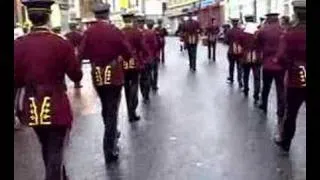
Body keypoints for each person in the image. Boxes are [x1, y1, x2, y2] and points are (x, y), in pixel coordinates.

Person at [14, 0, 83, 179]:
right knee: (55, 149)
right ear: (48, 17)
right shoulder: (61, 43)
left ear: (29, 17)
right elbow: (76, 75)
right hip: (56, 103)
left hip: (31, 104)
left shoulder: (18, 45)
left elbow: (16, 79)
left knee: (47, 145)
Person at [78, 2, 132, 163]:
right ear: (108, 15)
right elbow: (127, 52)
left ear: (95, 16)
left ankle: (112, 132)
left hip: (97, 74)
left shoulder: (88, 32)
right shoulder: (114, 31)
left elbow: (81, 54)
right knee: (112, 109)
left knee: (105, 106)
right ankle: (110, 146)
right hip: (114, 73)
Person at [274, 0, 306, 153]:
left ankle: (286, 142)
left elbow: (281, 57)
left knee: (291, 113)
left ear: (296, 14)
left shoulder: (289, 34)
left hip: (296, 78)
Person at [256, 13, 286, 127]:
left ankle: (264, 105)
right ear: (277, 19)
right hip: (280, 64)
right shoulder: (282, 30)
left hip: (267, 64)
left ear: (268, 19)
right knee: (280, 89)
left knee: (266, 86)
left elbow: (258, 43)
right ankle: (280, 110)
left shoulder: (263, 31)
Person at [121, 12, 145, 122]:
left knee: (126, 86)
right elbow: (142, 47)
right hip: (134, 61)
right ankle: (133, 109)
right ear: (132, 20)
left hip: (122, 62)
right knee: (135, 84)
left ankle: (129, 110)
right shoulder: (137, 32)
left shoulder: (120, 32)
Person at [239, 15, 261, 103]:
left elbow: (240, 43)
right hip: (256, 56)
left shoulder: (243, 31)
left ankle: (246, 89)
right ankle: (256, 95)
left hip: (246, 55)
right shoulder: (258, 31)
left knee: (246, 74)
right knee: (257, 77)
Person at [135, 15, 152, 103]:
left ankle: (144, 93)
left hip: (138, 59)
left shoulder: (135, 33)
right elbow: (154, 45)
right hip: (146, 58)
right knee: (146, 76)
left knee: (141, 77)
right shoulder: (149, 32)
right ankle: (146, 93)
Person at [65, 22, 84, 88]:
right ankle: (77, 83)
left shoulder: (66, 35)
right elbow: (82, 44)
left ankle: (65, 83)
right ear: (75, 27)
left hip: (69, 53)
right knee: (78, 68)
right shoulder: (79, 35)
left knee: (68, 68)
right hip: (78, 53)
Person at [226, 18, 244, 87]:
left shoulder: (229, 31)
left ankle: (231, 78)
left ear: (232, 23)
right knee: (239, 67)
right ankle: (240, 81)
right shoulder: (241, 31)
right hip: (239, 52)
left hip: (231, 51)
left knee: (231, 66)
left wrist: (231, 44)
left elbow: (226, 41)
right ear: (238, 23)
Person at [144, 19, 160, 92]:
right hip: (155, 54)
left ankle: (150, 82)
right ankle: (155, 85)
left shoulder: (144, 33)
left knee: (148, 71)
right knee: (155, 71)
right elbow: (159, 44)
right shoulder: (156, 33)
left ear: (147, 26)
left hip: (147, 55)